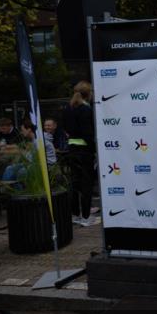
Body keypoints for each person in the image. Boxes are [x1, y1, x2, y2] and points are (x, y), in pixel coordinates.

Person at [62, 81, 97, 226]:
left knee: (74, 183)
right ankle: (86, 217)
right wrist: (94, 150)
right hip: (84, 151)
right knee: (86, 184)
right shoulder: (86, 110)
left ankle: (75, 215)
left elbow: (67, 129)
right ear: (88, 94)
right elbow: (88, 134)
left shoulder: (68, 108)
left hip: (72, 149)